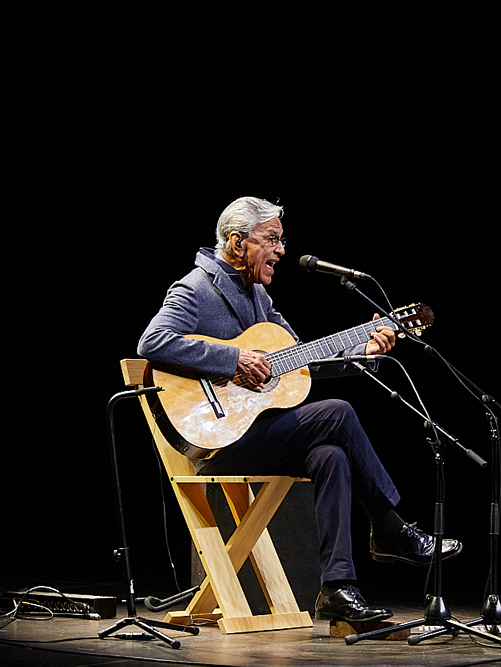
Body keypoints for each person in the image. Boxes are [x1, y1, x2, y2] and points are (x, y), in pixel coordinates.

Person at [137, 196, 461, 623]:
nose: (282, 250)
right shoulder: (196, 287)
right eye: (272, 239)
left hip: (261, 434)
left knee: (331, 455)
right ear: (236, 242)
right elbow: (153, 341)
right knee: (337, 413)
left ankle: (338, 587)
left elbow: (301, 362)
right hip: (217, 438)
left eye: (282, 240)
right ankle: (389, 527)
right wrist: (234, 360)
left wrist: (363, 351)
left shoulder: (259, 297)